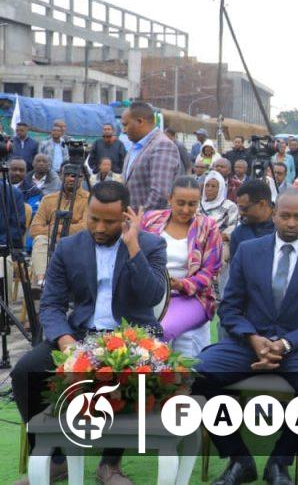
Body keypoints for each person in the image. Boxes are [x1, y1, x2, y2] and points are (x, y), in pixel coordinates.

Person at [11, 181, 166, 485]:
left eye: (109, 221)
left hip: (132, 340)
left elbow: (152, 296)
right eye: (93, 218)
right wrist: (65, 340)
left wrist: (133, 246)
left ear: (126, 216)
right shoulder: (69, 247)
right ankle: (55, 460)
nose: (99, 227)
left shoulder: (150, 245)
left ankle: (109, 464)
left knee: (125, 376)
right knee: (25, 372)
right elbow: (52, 304)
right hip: (80, 335)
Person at [193, 189, 298, 485]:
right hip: (249, 343)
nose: (291, 223)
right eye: (285, 216)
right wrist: (253, 338)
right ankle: (239, 459)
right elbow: (230, 307)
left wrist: (286, 344)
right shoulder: (249, 251)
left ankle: (280, 461)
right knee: (198, 374)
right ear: (274, 214)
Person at [139, 176, 222, 341]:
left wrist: (181, 284)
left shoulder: (208, 227)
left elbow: (210, 272)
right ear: (170, 198)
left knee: (157, 332)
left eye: (192, 204)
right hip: (150, 293)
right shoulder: (150, 220)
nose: (186, 209)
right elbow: (136, 257)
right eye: (181, 203)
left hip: (192, 297)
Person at [28, 170, 89, 286]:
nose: (72, 179)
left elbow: (85, 228)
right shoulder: (48, 199)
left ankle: (43, 285)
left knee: (44, 246)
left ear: (82, 178)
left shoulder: (89, 199)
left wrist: (58, 228)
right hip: (50, 243)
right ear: (61, 176)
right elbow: (34, 230)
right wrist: (55, 231)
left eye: (76, 176)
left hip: (76, 244)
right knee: (40, 240)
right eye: (67, 175)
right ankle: (42, 281)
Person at [121, 102, 182, 211]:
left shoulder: (162, 145)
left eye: (126, 125)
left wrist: (139, 219)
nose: (123, 130)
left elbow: (160, 195)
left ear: (140, 122)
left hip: (150, 220)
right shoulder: (135, 147)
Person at [231, 179, 276, 258]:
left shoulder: (282, 229)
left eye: (244, 208)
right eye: (239, 208)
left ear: (262, 204)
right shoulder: (239, 233)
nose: (241, 213)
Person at [200, 171, 239, 242]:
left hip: (218, 243)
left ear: (221, 188)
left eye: (213, 186)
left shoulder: (230, 206)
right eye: (207, 185)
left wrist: (211, 241)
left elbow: (232, 228)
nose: (209, 189)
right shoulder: (197, 204)